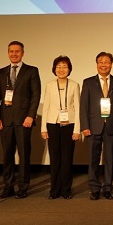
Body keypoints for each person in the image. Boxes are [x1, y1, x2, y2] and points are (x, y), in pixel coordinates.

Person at [0, 41, 41, 199]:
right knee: (7, 154)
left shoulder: (31, 70)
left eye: (17, 51)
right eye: (11, 51)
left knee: (24, 154)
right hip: (5, 119)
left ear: (22, 53)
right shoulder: (1, 72)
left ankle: (23, 186)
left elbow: (35, 95)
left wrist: (31, 115)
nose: (14, 54)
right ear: (8, 53)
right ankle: (8, 186)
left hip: (24, 120)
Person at [80, 52, 113, 200]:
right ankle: (94, 188)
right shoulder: (88, 82)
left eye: (106, 62)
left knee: (110, 159)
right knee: (93, 159)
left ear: (111, 64)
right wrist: (85, 126)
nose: (103, 65)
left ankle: (108, 187)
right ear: (97, 64)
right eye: (100, 62)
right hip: (93, 126)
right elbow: (84, 105)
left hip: (111, 126)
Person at [41, 56, 81, 199]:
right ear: (54, 69)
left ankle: (66, 190)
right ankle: (54, 190)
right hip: (52, 124)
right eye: (58, 67)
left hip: (69, 124)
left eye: (64, 67)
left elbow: (77, 108)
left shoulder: (74, 85)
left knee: (67, 159)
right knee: (55, 158)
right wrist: (43, 128)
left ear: (69, 69)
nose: (61, 69)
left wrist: (77, 129)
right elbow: (46, 107)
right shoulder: (50, 85)